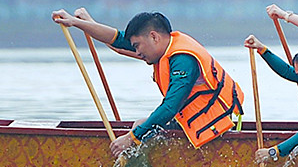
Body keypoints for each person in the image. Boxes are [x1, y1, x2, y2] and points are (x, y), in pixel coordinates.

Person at [51, 8, 243, 150]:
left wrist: (131, 138)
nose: (137, 51)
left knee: (140, 128)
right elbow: (118, 42)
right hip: (197, 122)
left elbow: (170, 107)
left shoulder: (183, 60)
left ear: (154, 37)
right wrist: (80, 23)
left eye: (138, 45)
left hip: (214, 126)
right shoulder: (163, 49)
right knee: (141, 125)